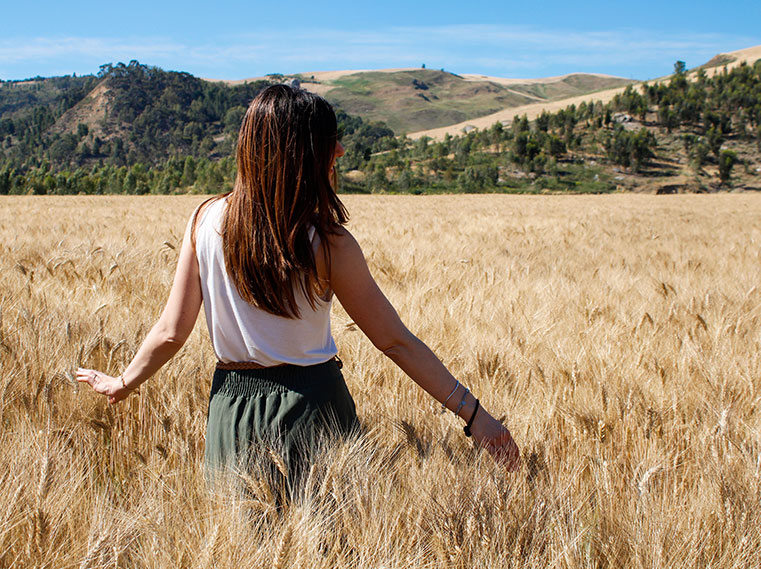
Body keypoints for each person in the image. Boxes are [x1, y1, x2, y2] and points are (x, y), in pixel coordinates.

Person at [77, 85, 520, 486]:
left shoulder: (203, 220)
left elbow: (171, 331)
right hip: (314, 410)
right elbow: (395, 342)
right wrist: (474, 415)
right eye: (331, 141)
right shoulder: (329, 244)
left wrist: (123, 382)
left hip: (232, 415)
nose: (342, 150)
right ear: (302, 153)